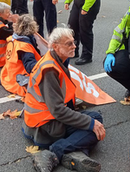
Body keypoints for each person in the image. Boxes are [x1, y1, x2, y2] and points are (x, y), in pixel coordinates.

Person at [23, 27, 105, 172]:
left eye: (73, 42)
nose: (74, 46)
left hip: (42, 120)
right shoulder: (49, 69)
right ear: (55, 46)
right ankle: (55, 152)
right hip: (44, 126)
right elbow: (58, 111)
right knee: (94, 128)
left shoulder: (56, 60)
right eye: (69, 44)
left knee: (96, 119)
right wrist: (90, 123)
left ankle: (75, 154)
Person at [0, 14, 41, 96]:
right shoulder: (24, 47)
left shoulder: (13, 39)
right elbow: (30, 66)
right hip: (19, 80)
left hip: (8, 74)